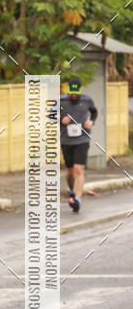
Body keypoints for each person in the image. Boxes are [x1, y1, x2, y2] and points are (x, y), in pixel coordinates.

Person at [60, 76, 97, 213]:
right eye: (72, 92)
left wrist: (91, 122)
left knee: (79, 169)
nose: (74, 95)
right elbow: (51, 116)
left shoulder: (87, 100)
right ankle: (71, 191)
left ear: (80, 90)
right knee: (70, 171)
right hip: (66, 140)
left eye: (76, 92)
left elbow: (94, 112)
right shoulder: (61, 101)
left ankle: (77, 199)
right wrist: (61, 121)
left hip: (82, 139)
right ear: (68, 90)